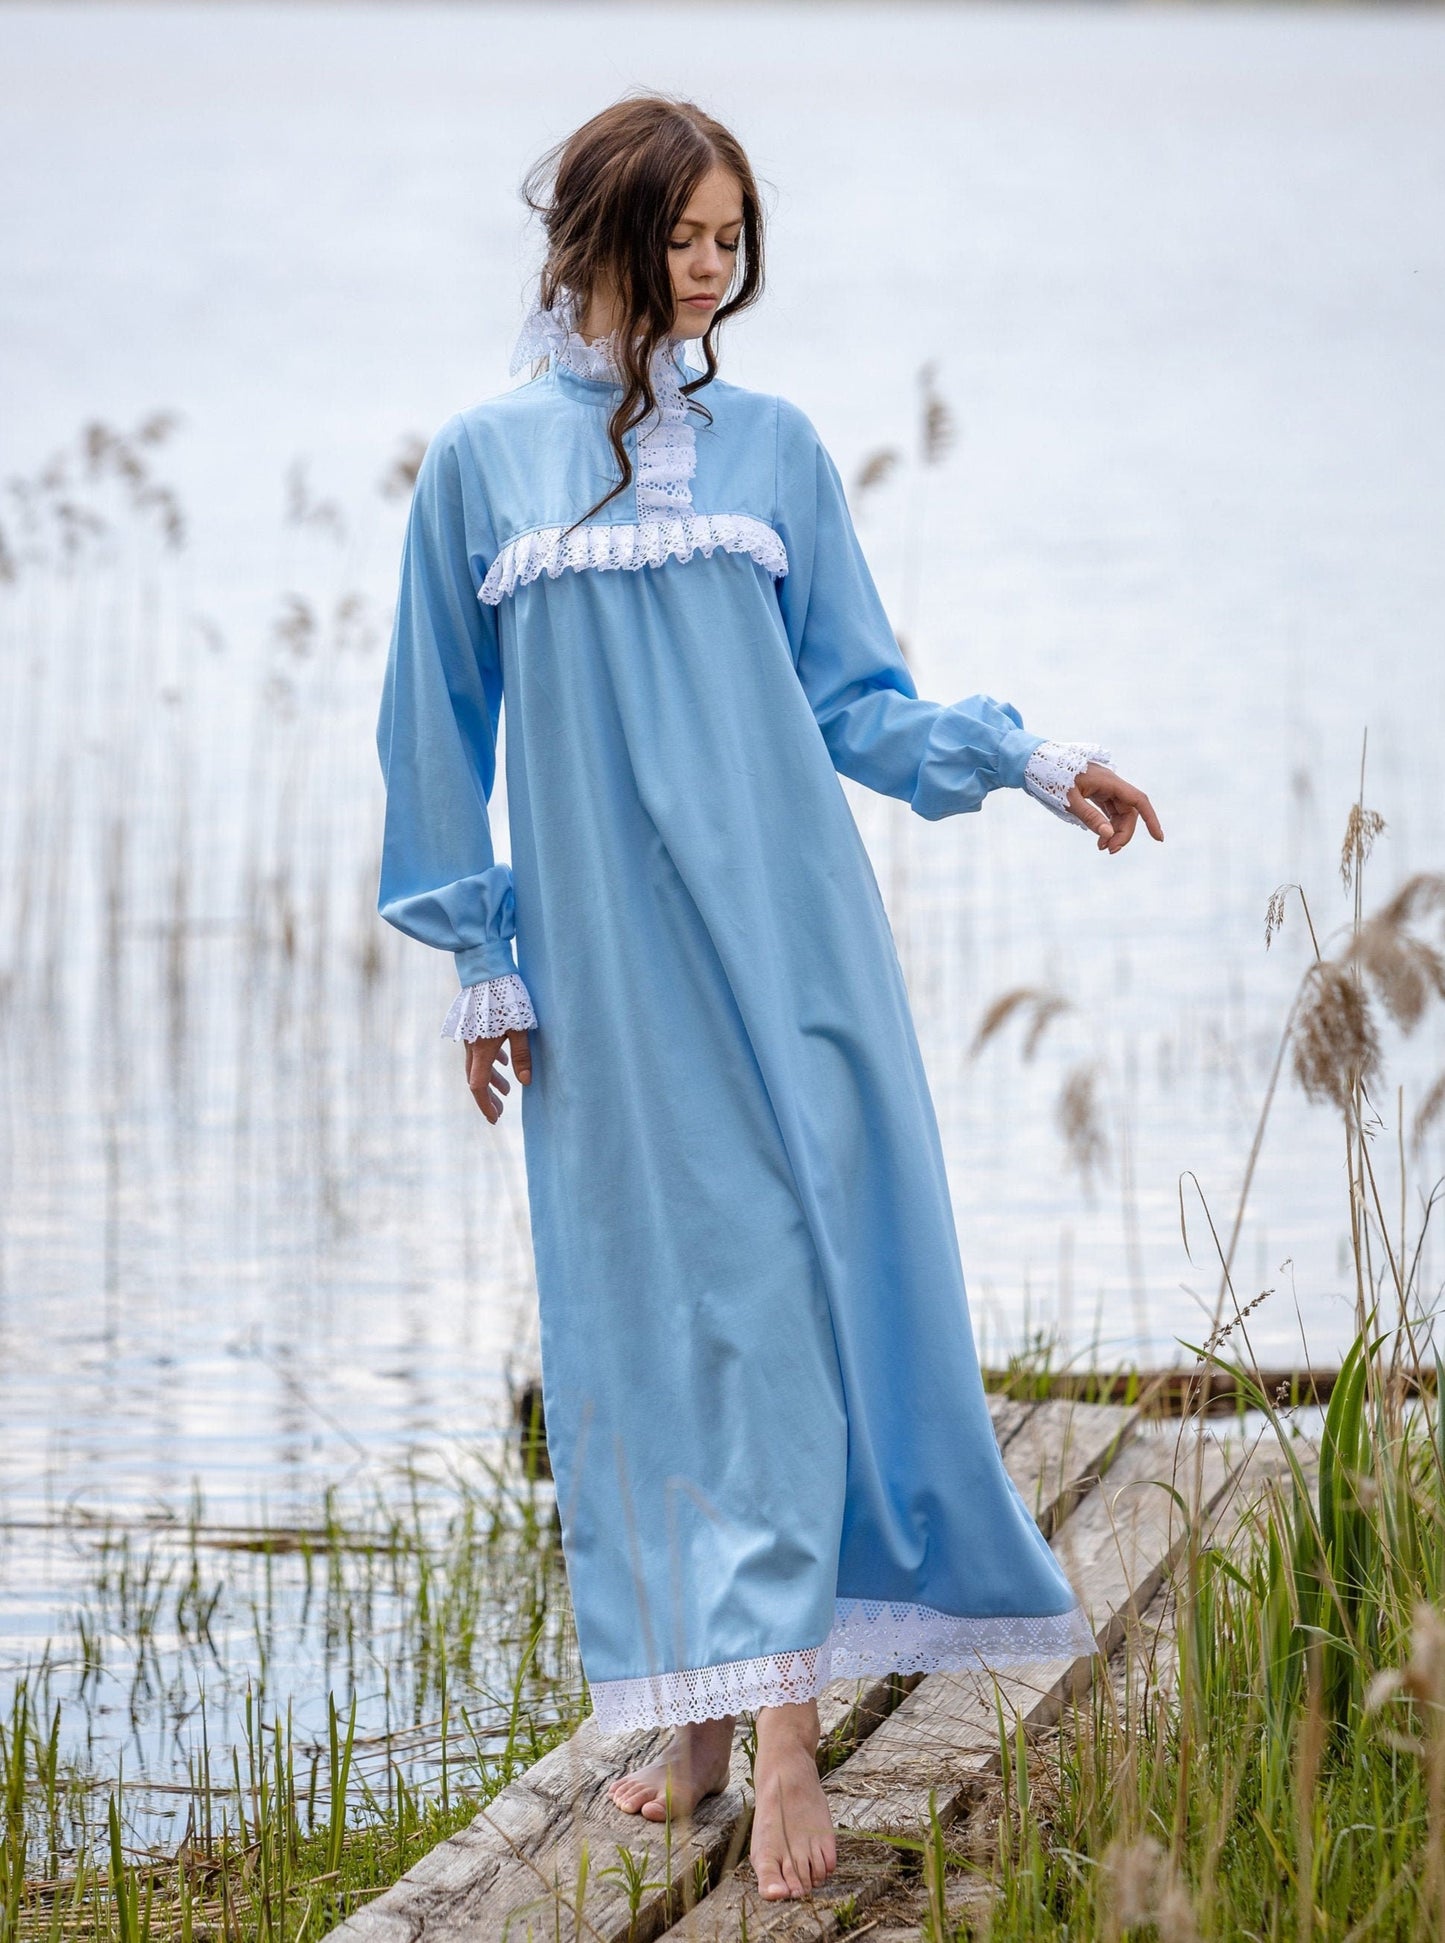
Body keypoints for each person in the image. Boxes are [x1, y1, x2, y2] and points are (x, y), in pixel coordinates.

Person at [374, 95, 1163, 1903]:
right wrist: (482, 958)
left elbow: (853, 700)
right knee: (660, 1318)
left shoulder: (777, 450)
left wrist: (1030, 763)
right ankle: (701, 1722)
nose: (711, 268)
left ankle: (784, 1735)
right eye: (682, 236)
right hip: (611, 970)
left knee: (789, 1297)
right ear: (598, 233)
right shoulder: (482, 464)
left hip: (795, 941)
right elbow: (433, 731)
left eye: (730, 238)